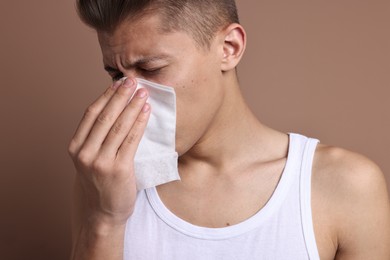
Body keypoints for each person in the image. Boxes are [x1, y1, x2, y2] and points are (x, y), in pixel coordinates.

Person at [67, 0, 390, 259]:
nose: (133, 95)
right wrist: (106, 220)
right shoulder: (106, 180)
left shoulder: (344, 186)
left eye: (151, 68)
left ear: (229, 48)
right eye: (116, 75)